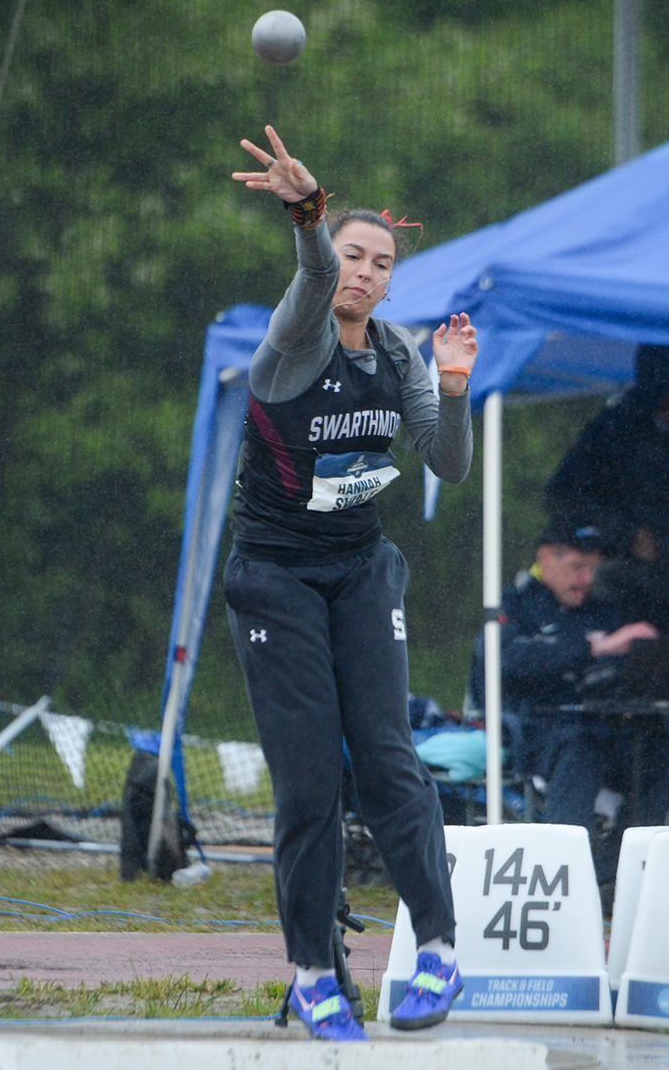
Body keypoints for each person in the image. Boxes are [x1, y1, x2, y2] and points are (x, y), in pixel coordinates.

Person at [226, 126, 475, 1042]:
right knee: (307, 787)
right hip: (276, 579)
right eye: (351, 256)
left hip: (361, 570)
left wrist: (453, 391)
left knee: (388, 759)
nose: (364, 273)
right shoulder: (291, 343)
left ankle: (440, 948)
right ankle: (310, 970)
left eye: (381, 263)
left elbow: (446, 466)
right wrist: (308, 216)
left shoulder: (400, 354)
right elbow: (312, 282)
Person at [544, 344, 669, 826]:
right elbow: (562, 499)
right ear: (666, 384)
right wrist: (625, 536)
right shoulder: (612, 430)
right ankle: (628, 835)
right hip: (626, 600)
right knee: (640, 723)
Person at [470, 521, 663, 885]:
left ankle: (621, 871)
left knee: (661, 745)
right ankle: (563, 877)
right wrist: (594, 648)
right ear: (546, 558)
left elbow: (617, 668)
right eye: (577, 567)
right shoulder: (511, 603)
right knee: (579, 746)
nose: (586, 579)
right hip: (528, 730)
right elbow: (506, 659)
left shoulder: (598, 610)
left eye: (593, 569)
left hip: (597, 723)